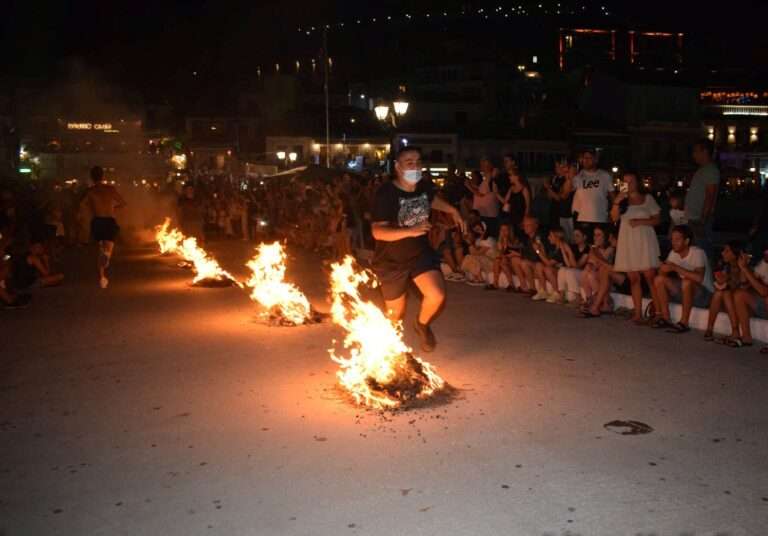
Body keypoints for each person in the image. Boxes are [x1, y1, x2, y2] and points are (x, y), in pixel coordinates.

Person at [371, 146, 465, 352]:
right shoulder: (385, 193)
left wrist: (453, 210)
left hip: (419, 252)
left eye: (418, 161)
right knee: (395, 313)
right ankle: (389, 351)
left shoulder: (423, 186)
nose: (415, 166)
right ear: (397, 166)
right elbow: (378, 232)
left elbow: (432, 200)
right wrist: (410, 230)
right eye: (409, 162)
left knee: (437, 294)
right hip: (391, 258)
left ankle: (422, 324)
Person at [611, 172, 662, 324]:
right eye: (625, 182)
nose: (628, 184)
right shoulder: (621, 200)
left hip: (645, 240)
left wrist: (640, 222)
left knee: (650, 277)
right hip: (628, 241)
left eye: (631, 181)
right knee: (633, 278)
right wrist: (616, 202)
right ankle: (638, 313)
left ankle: (659, 312)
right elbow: (613, 218)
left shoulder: (648, 198)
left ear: (637, 182)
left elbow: (657, 220)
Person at [652, 225, 713, 333]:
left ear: (686, 241)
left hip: (704, 296)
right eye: (672, 239)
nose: (673, 242)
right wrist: (663, 268)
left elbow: (699, 278)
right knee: (659, 279)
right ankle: (666, 318)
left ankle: (684, 322)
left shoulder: (698, 253)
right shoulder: (673, 253)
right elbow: (661, 274)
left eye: (677, 239)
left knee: (687, 282)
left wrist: (675, 268)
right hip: (685, 293)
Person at [80, 166, 126, 289]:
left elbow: (81, 205)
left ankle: (102, 277)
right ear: (103, 176)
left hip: (97, 221)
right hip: (109, 220)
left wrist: (91, 209)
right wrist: (113, 208)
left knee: (100, 249)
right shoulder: (110, 189)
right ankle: (107, 255)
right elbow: (123, 203)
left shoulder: (90, 191)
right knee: (109, 247)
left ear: (92, 177)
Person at [685, 139, 720, 257]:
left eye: (696, 151)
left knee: (703, 252)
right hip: (695, 219)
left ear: (704, 152)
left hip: (699, 220)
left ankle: (708, 274)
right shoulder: (703, 170)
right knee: (697, 253)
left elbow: (710, 196)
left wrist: (703, 220)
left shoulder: (710, 170)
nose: (693, 155)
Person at [704, 241, 743, 343]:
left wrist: (727, 280)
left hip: (741, 306)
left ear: (735, 254)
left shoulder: (744, 267)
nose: (722, 253)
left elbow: (738, 287)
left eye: (726, 251)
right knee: (719, 293)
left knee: (724, 293)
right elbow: (719, 285)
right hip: (727, 303)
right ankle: (709, 328)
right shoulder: (726, 266)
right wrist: (721, 280)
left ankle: (735, 332)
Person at [732, 249, 768, 350]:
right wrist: (744, 266)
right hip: (764, 305)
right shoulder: (764, 264)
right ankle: (746, 337)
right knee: (739, 294)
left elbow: (764, 292)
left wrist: (744, 268)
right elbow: (744, 285)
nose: (766, 253)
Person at [579, 226, 619, 317]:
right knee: (586, 272)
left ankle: (602, 301)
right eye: (594, 235)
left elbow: (600, 264)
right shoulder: (595, 249)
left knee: (591, 274)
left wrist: (594, 253)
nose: (595, 237)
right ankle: (590, 299)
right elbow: (591, 263)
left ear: (605, 237)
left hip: (609, 280)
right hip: (599, 276)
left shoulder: (610, 249)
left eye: (598, 235)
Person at [572, 149, 613, 232]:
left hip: (600, 218)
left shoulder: (605, 175)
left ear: (595, 160)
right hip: (583, 218)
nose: (586, 160)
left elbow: (612, 196)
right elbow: (566, 192)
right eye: (584, 158)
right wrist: (570, 176)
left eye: (589, 158)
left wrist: (612, 213)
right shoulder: (578, 176)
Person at [533, 226, 571, 304]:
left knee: (547, 269)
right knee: (539, 265)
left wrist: (538, 251)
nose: (548, 237)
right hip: (556, 269)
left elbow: (548, 263)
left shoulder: (561, 248)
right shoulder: (554, 247)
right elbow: (546, 260)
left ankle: (557, 292)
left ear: (557, 237)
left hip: (562, 272)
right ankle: (543, 291)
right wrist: (541, 248)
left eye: (551, 236)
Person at [508, 216, 545, 295]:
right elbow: (527, 251)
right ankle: (523, 286)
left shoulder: (538, 237)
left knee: (524, 263)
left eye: (528, 225)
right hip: (533, 261)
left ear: (535, 226)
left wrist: (519, 254)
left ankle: (533, 288)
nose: (525, 227)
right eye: (524, 225)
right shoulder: (529, 238)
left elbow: (536, 254)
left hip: (540, 263)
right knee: (514, 260)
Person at [465, 158, 500, 237]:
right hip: (485, 214)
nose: (481, 167)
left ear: (488, 165)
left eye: (483, 165)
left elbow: (480, 194)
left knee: (487, 237)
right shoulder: (486, 180)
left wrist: (468, 186)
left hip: (488, 215)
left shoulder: (491, 178)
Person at [545, 161, 576, 240]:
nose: (565, 172)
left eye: (566, 171)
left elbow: (561, 197)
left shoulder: (569, 181)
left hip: (568, 214)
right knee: (564, 238)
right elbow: (552, 196)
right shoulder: (559, 180)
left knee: (570, 238)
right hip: (562, 213)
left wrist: (548, 188)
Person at [558, 227, 590, 303]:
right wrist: (563, 250)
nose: (575, 238)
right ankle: (562, 296)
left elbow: (578, 265)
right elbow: (568, 264)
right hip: (576, 272)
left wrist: (569, 251)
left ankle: (578, 298)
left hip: (584, 273)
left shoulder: (588, 249)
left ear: (584, 237)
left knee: (570, 272)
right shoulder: (574, 247)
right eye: (574, 235)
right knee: (562, 270)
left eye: (577, 236)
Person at [494, 169, 530, 236]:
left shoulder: (524, 189)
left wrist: (525, 218)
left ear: (517, 176)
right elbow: (505, 202)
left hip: (520, 217)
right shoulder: (511, 188)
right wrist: (496, 194)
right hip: (511, 217)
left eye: (510, 175)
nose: (509, 177)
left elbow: (528, 205)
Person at [461, 221, 496, 286]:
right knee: (469, 256)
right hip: (483, 261)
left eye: (479, 229)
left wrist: (470, 243)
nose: (478, 232)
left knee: (473, 257)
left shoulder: (489, 240)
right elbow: (472, 252)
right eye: (476, 230)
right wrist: (469, 242)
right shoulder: (478, 240)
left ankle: (480, 279)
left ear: (484, 229)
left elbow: (478, 253)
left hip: (492, 262)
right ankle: (477, 277)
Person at [486, 223, 516, 291]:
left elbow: (510, 251)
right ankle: (495, 283)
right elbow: (500, 253)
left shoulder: (514, 240)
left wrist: (506, 241)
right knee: (497, 260)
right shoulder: (499, 241)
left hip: (512, 261)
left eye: (505, 230)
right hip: (504, 260)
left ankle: (511, 284)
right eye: (502, 230)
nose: (503, 232)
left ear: (509, 231)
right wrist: (500, 242)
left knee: (502, 261)